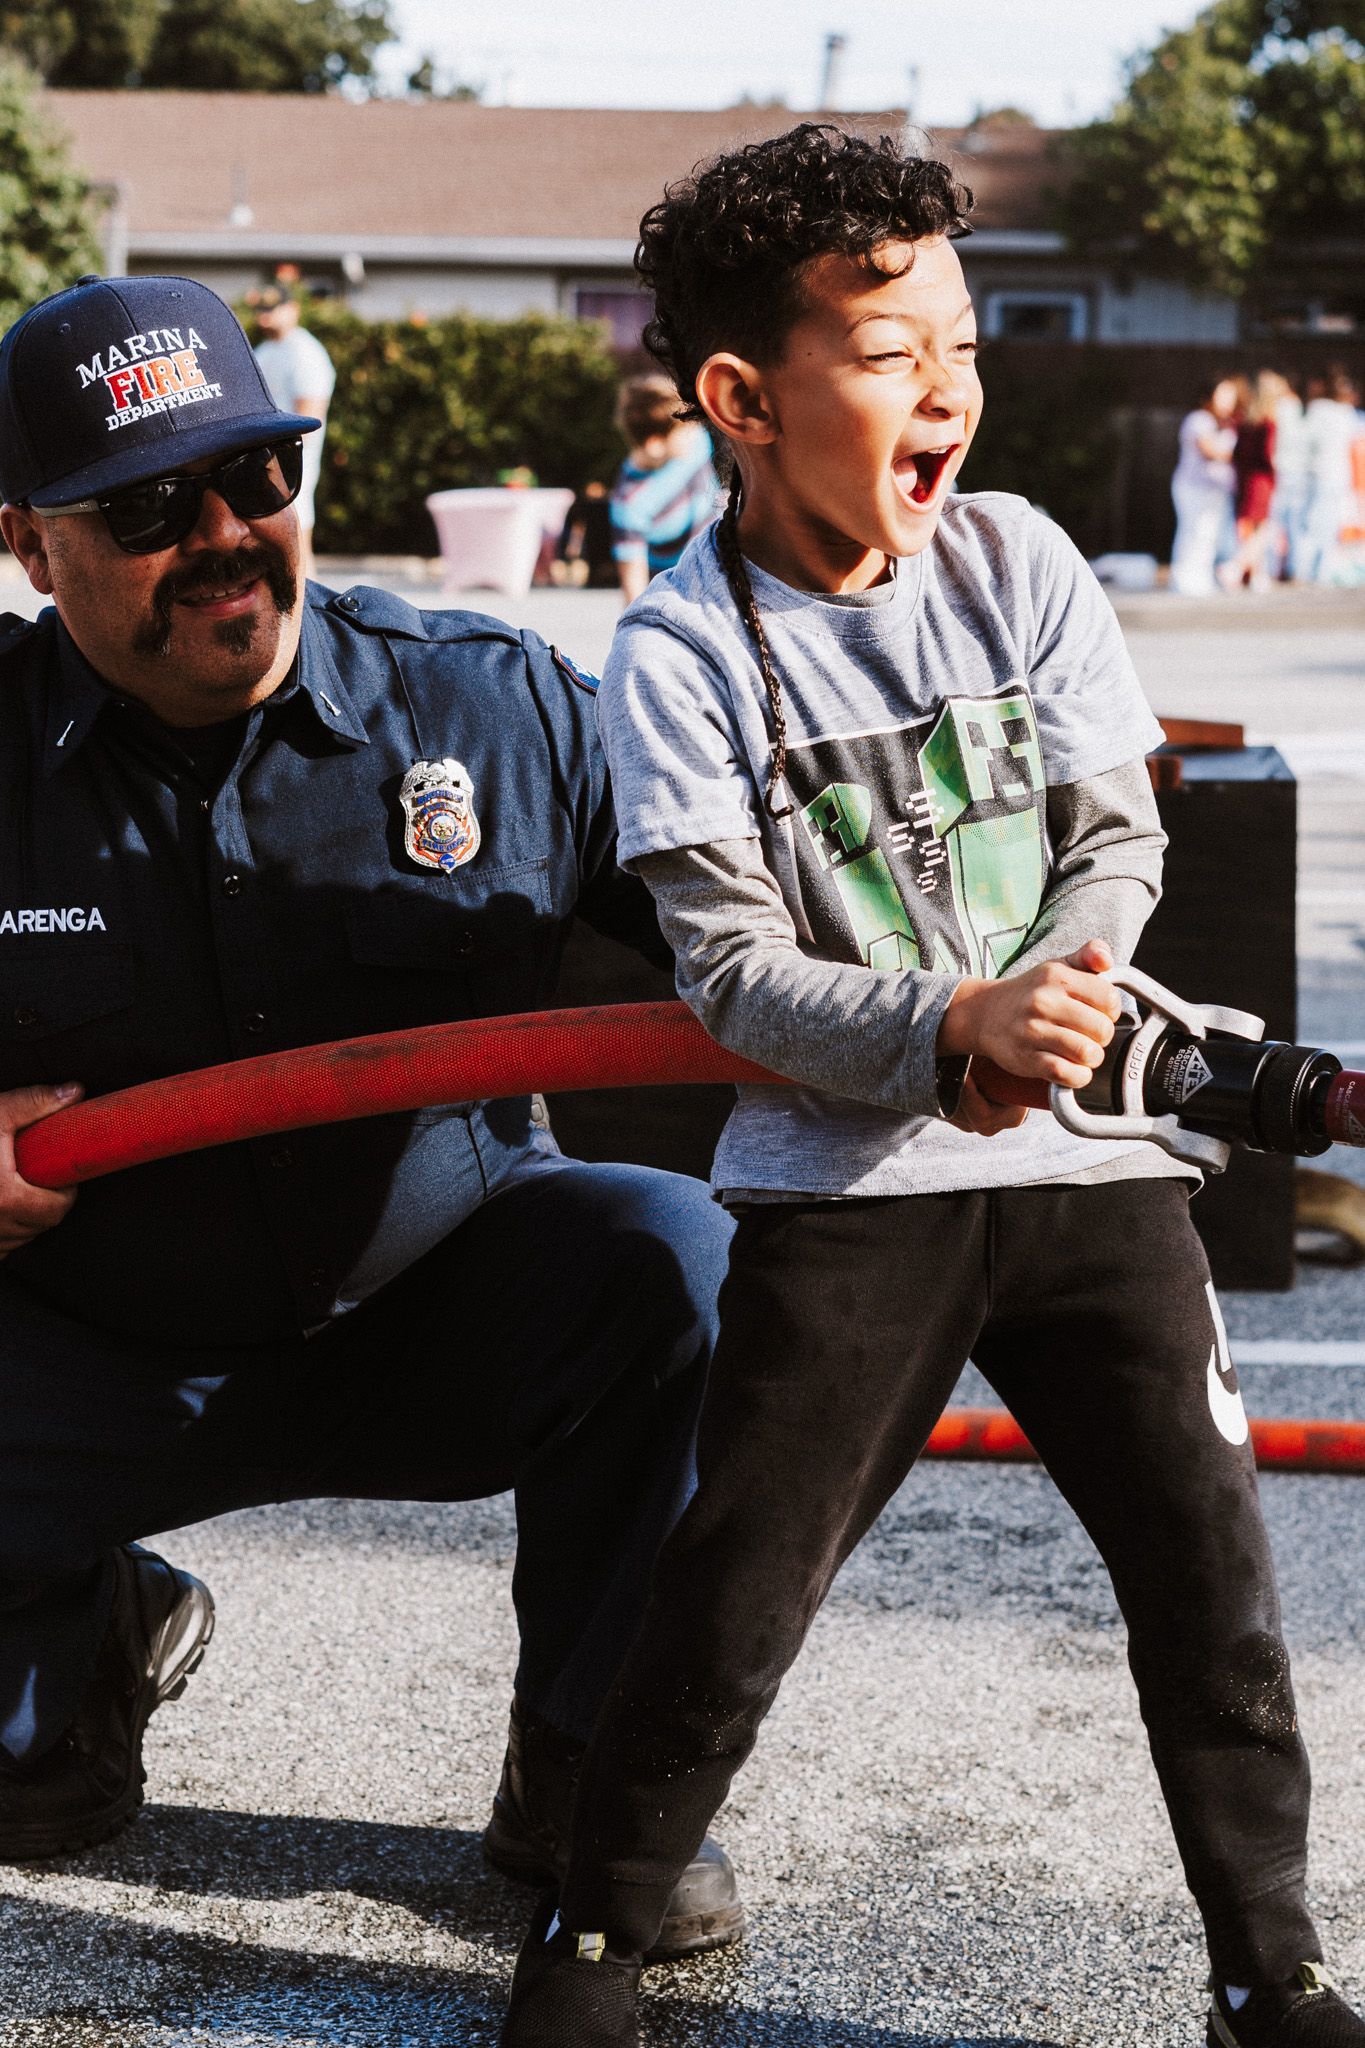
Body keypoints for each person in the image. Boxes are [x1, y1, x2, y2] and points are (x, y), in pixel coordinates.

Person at [500, 126, 1365, 2048]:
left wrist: (1055, 988)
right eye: (896, 352)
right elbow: (729, 973)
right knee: (730, 1598)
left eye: (966, 344)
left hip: (1098, 1171)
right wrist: (950, 1027)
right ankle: (595, 1936)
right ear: (743, 398)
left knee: (1213, 1580)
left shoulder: (1024, 559)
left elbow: (1118, 835)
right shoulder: (678, 655)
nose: (953, 387)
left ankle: (1270, 1960)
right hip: (846, 1191)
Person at [0, 272, 744, 1962]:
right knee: (32, 1803)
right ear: (29, 546)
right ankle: (74, 1619)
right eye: (141, 504)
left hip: (443, 1312)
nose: (222, 532)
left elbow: (757, 938)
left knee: (672, 1255)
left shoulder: (489, 707)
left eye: (256, 477)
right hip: (80, 1354)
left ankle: (591, 1763)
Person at [610, 374, 722, 604]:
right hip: (677, 591)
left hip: (721, 563)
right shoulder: (631, 503)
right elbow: (634, 584)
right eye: (684, 427)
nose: (695, 428)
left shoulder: (697, 441)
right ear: (654, 444)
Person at [250, 282, 336, 581]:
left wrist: (282, 462)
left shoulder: (305, 352)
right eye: (262, 309)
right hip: (262, 460)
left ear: (293, 310)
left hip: (290, 461)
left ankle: (308, 616)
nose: (265, 316)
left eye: (273, 309)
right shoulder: (265, 350)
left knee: (296, 542)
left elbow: (309, 419)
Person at [1169, 375, 1241, 595]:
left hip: (1214, 491)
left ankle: (1200, 577)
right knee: (1194, 532)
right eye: (1223, 395)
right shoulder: (1199, 419)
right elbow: (1208, 450)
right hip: (1194, 488)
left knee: (1209, 535)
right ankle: (1184, 578)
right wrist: (1241, 454)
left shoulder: (1227, 424)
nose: (1228, 401)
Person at [1301, 368, 1363, 586]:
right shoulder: (1345, 413)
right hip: (1337, 474)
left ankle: (1313, 570)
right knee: (1328, 523)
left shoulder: (1318, 409)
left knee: (1317, 523)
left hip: (1321, 473)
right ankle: (1321, 569)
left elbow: (1307, 440)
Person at [1219, 372, 1279, 593]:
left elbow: (1236, 453)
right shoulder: (1268, 424)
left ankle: (1255, 575)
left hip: (1245, 478)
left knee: (1252, 528)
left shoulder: (1245, 422)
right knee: (1262, 529)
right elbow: (1268, 454)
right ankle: (1236, 566)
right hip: (1262, 481)